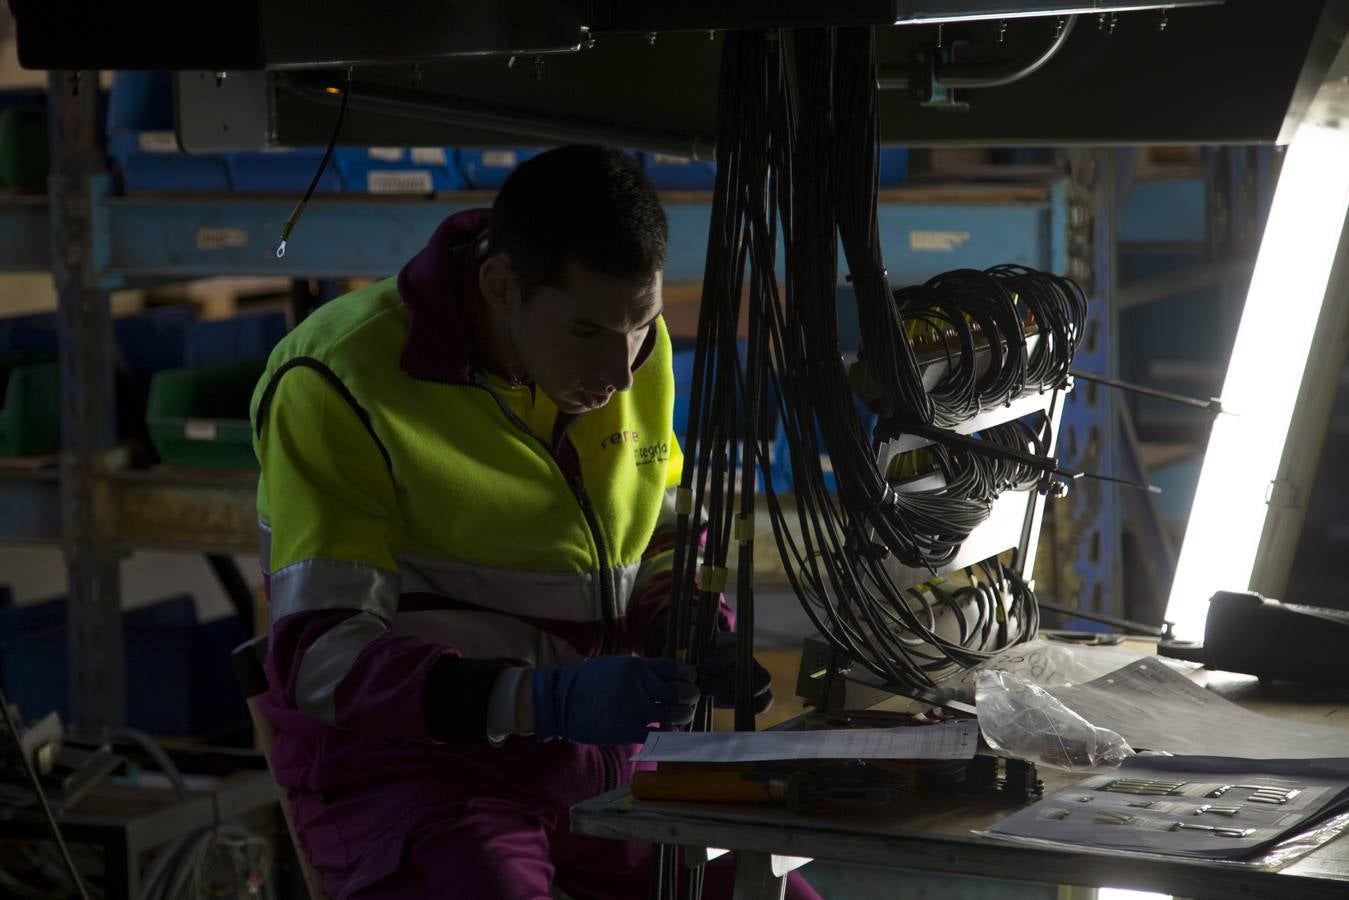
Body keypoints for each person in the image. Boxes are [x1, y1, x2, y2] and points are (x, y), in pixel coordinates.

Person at [251, 144, 820, 899]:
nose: (622, 373)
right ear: (500, 286)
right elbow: (322, 659)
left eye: (642, 326)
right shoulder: (337, 382)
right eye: (587, 333)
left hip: (605, 763)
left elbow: (656, 527)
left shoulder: (623, 342)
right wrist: (539, 700)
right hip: (421, 780)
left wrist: (684, 621)